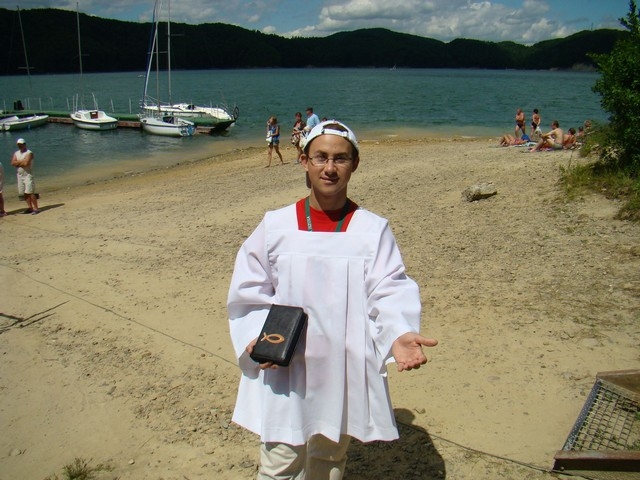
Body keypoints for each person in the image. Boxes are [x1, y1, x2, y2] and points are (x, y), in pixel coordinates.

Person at [228, 120, 438, 480]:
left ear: (354, 164)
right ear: (304, 161)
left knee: (329, 460)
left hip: (341, 365)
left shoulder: (371, 229)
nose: (329, 168)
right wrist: (258, 336)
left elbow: (389, 287)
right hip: (286, 364)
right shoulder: (276, 225)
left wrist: (399, 332)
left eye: (340, 159)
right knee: (279, 462)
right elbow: (249, 287)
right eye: (320, 157)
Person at [11, 138, 39, 214]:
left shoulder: (29, 153)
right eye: (19, 145)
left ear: (24, 144)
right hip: (20, 175)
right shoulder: (16, 153)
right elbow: (13, 163)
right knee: (24, 193)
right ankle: (30, 207)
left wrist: (18, 162)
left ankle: (36, 208)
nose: (20, 146)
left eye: (21, 144)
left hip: (28, 175)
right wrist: (22, 161)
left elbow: (26, 163)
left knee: (30, 192)